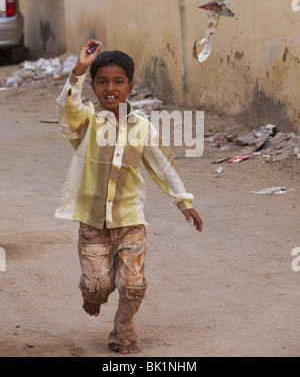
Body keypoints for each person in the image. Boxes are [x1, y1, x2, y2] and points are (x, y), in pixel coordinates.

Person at [55, 39, 203, 355]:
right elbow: (67, 107)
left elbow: (163, 164)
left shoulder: (143, 127)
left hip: (130, 221)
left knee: (133, 285)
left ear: (131, 86)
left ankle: (123, 335)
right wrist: (79, 70)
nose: (111, 88)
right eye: (102, 82)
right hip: (93, 222)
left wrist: (183, 201)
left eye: (118, 81)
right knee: (100, 286)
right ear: (93, 86)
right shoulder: (85, 121)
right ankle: (92, 295)